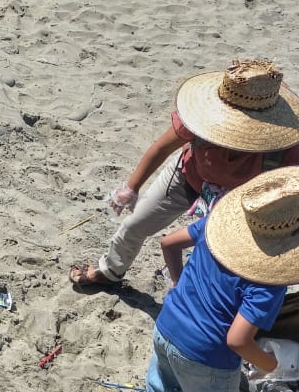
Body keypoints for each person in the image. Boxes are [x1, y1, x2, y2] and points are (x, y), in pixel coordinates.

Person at [132, 167, 299, 392]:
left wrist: (177, 282)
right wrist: (271, 365)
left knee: (160, 389)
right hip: (208, 356)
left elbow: (168, 243)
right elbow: (237, 340)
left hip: (167, 327)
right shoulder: (267, 284)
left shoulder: (215, 228)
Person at [69, 59, 299, 291]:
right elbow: (161, 148)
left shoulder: (287, 147)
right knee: (134, 226)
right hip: (187, 177)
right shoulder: (204, 115)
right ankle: (110, 271)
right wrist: (131, 188)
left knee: (219, 259)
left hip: (237, 204)